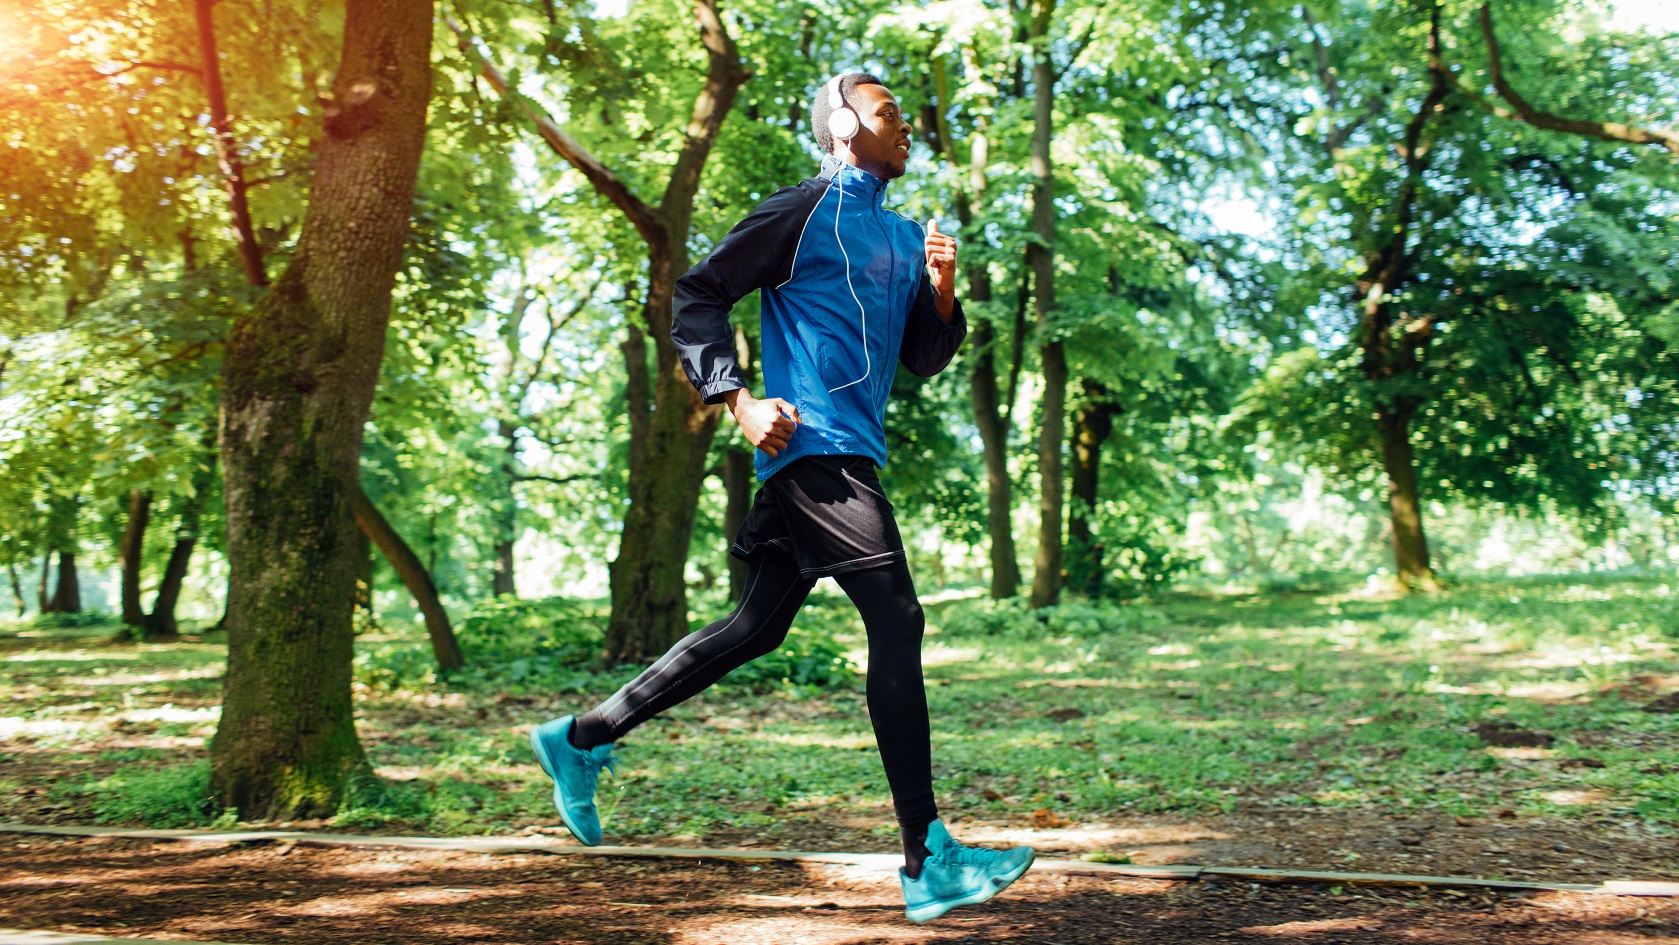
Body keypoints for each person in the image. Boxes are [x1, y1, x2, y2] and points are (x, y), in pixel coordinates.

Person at [526, 72, 1034, 924]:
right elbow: (699, 291)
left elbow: (922, 356)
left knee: (754, 627)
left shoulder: (908, 235)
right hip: (811, 446)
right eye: (886, 114)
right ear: (842, 126)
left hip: (847, 449)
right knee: (898, 619)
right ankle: (928, 858)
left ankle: (581, 738)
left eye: (904, 116)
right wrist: (738, 399)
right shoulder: (800, 210)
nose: (904, 125)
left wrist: (943, 294)